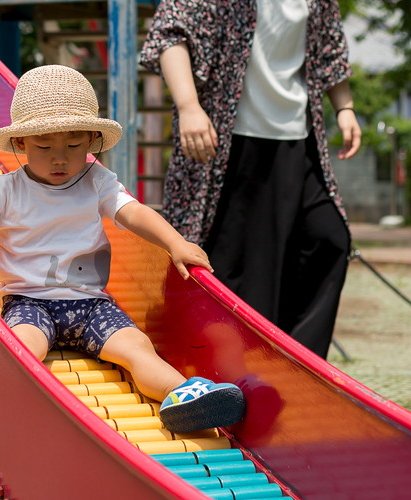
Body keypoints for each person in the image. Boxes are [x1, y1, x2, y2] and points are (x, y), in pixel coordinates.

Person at [0, 65, 245, 434]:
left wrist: (175, 242)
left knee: (136, 346)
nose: (60, 158)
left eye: (74, 146)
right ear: (21, 144)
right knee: (22, 345)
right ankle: (12, 397)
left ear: (91, 141)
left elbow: (133, 212)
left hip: (91, 305)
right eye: (45, 147)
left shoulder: (96, 180)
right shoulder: (4, 190)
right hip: (29, 301)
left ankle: (183, 395)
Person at [139, 0, 362, 359]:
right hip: (228, 145)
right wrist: (189, 106)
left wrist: (345, 108)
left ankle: (298, 363)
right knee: (244, 271)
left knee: (329, 238)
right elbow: (170, 34)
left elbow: (330, 50)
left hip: (299, 142)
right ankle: (240, 369)